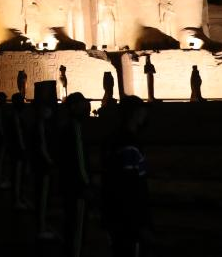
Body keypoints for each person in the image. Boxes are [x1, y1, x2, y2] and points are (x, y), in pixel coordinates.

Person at [101, 95, 152, 256]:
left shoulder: (114, 139)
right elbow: (131, 186)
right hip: (129, 218)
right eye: (142, 111)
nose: (145, 115)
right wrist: (140, 222)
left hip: (115, 213)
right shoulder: (129, 143)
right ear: (134, 113)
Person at [58, 92, 92, 257]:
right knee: (77, 226)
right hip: (77, 186)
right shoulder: (75, 127)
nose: (86, 107)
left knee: (70, 223)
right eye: (82, 103)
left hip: (67, 182)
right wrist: (86, 183)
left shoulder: (65, 126)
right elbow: (80, 159)